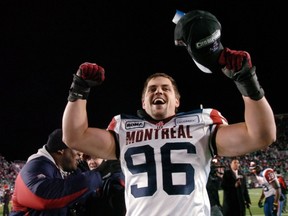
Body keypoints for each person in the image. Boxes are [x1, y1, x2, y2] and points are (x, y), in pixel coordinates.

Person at [62, 9, 276, 215]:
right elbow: (74, 137)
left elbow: (262, 136)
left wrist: (247, 81)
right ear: (143, 102)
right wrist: (79, 90)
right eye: (152, 89)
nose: (159, 91)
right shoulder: (124, 128)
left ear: (177, 100)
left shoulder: (200, 123)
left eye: (166, 88)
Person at [10, 128, 105, 216]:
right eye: (76, 151)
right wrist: (99, 174)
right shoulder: (35, 166)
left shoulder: (57, 168)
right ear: (61, 150)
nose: (79, 156)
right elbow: (43, 197)